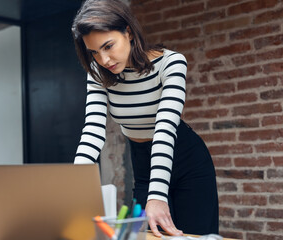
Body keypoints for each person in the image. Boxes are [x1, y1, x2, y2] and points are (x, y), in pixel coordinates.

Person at [72, 0, 219, 237]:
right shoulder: (98, 74)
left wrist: (158, 195)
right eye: (94, 52)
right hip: (143, 164)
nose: (104, 59)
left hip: (185, 160)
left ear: (128, 32)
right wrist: (71, 187)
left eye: (109, 46)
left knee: (194, 236)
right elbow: (92, 132)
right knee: (149, 236)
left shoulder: (170, 63)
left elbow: (165, 129)